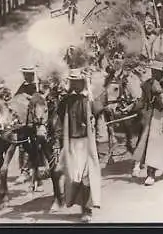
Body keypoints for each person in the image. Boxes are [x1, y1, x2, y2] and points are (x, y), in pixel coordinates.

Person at [55, 68, 101, 223]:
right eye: (73, 82)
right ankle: (74, 202)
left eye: (78, 82)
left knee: (86, 177)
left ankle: (87, 210)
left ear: (83, 82)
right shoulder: (67, 100)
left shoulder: (88, 100)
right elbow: (59, 112)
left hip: (86, 143)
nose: (75, 85)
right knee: (75, 177)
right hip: (72, 143)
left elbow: (97, 110)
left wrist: (89, 91)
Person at [131, 61, 163, 186]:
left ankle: (151, 173)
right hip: (148, 116)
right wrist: (131, 107)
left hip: (161, 117)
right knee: (150, 144)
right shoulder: (147, 83)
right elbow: (142, 100)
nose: (153, 72)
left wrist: (158, 91)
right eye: (152, 70)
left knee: (158, 144)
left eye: (156, 70)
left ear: (161, 72)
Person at [14, 66, 38, 185]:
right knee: (22, 144)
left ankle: (37, 168)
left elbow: (42, 99)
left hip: (37, 118)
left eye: (29, 73)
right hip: (25, 119)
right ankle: (24, 171)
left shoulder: (38, 85)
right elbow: (16, 98)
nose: (26, 76)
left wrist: (29, 98)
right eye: (25, 73)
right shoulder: (23, 86)